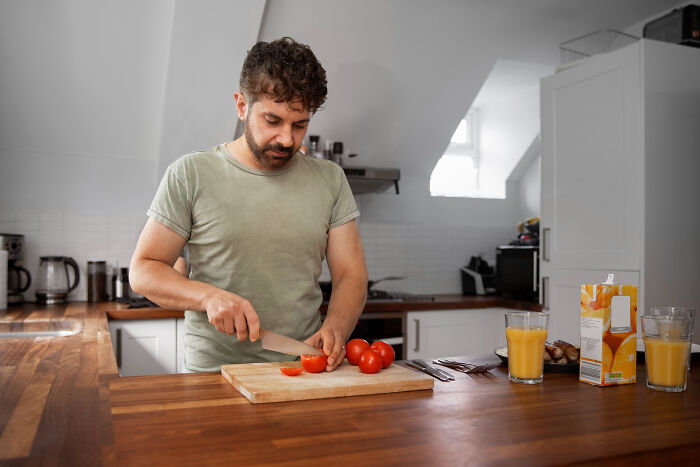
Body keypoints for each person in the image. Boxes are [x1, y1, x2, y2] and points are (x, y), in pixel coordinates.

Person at [129, 37, 367, 372]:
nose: (287, 139)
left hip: (304, 369)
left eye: (300, 125)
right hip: (215, 375)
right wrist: (207, 297)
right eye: (273, 121)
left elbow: (350, 274)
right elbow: (144, 270)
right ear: (242, 106)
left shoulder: (329, 180)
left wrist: (336, 327)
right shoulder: (190, 174)